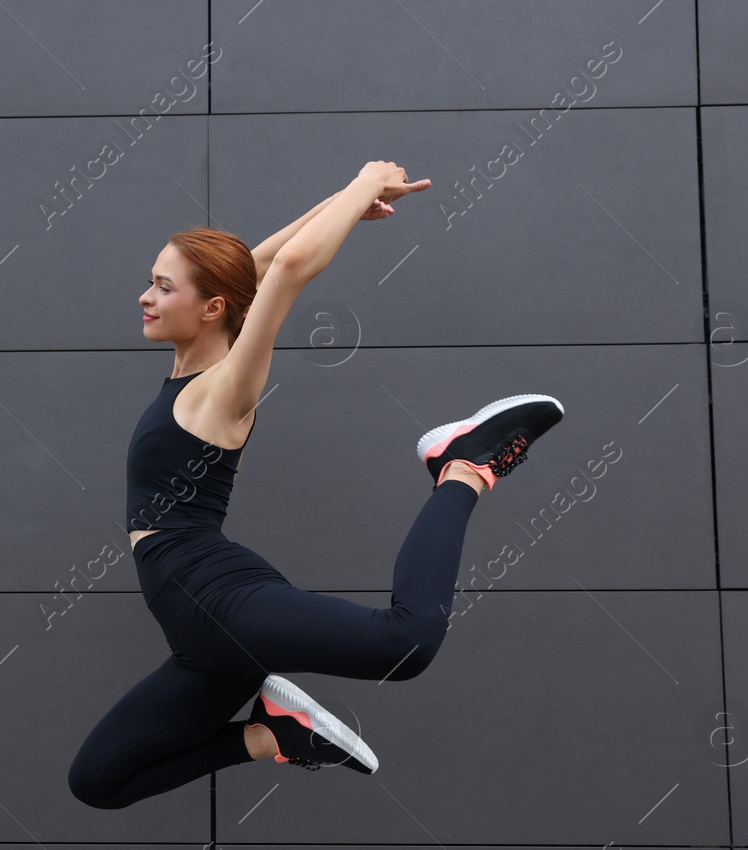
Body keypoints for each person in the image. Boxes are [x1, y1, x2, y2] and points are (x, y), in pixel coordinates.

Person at [67, 160, 564, 809]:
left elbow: (289, 268)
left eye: (163, 286)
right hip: (199, 636)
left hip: (217, 600)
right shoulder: (195, 367)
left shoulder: (224, 388)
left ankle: (463, 466)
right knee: (97, 781)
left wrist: (363, 181)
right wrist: (345, 203)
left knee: (406, 642)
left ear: (211, 307)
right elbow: (260, 261)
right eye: (150, 283)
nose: (146, 295)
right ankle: (268, 735)